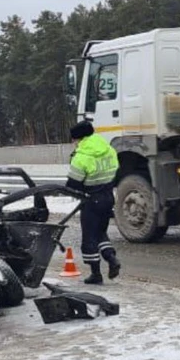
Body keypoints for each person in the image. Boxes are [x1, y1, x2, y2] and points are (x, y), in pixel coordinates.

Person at [65, 120, 121, 285]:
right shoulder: (109, 150)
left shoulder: (82, 157)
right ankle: (111, 258)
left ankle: (96, 274)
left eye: (74, 140)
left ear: (79, 139)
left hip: (91, 200)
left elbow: (73, 184)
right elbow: (117, 172)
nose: (73, 143)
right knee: (100, 233)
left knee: (89, 237)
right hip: (108, 197)